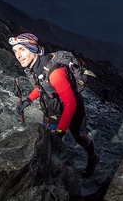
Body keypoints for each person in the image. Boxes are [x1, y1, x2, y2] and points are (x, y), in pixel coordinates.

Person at [9, 33, 99, 177]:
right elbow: (43, 86)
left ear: (33, 49)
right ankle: (51, 169)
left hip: (72, 106)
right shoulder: (36, 68)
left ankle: (93, 158)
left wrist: (61, 131)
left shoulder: (55, 73)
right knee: (49, 141)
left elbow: (71, 103)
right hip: (53, 106)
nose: (18, 55)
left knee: (79, 137)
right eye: (15, 51)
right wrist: (28, 100)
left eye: (22, 49)